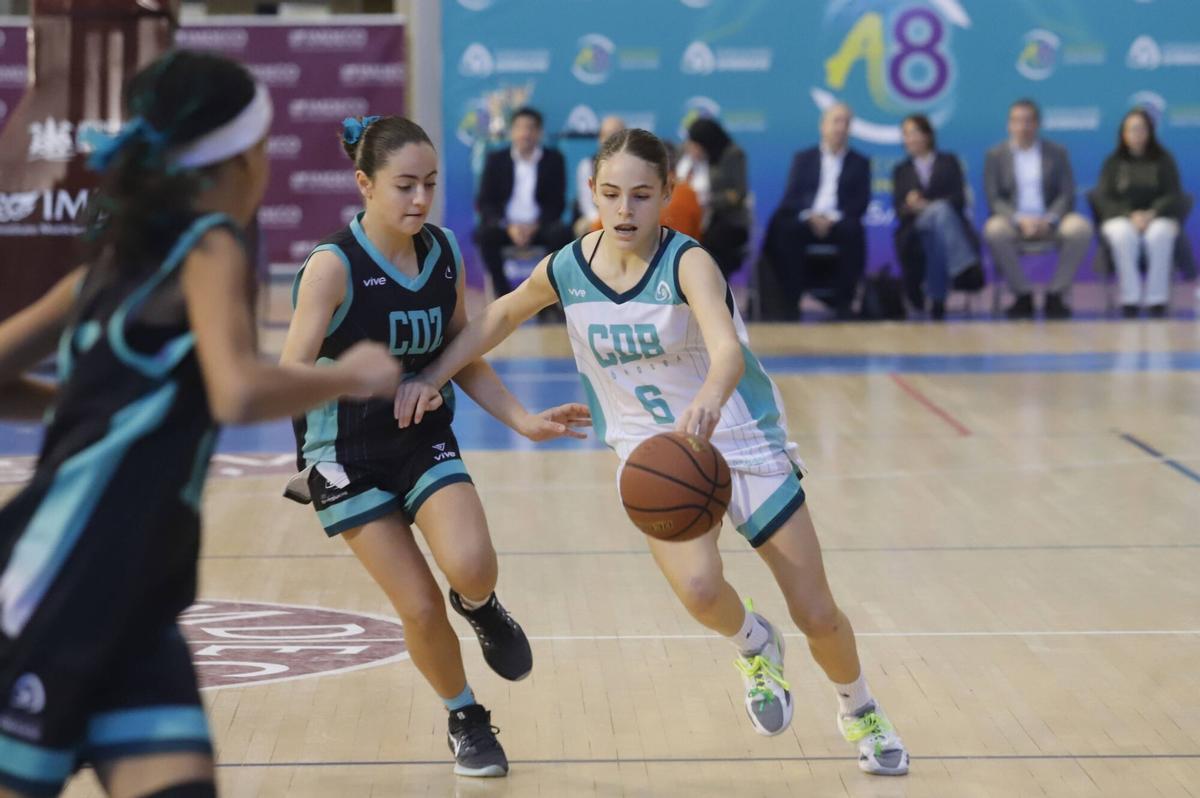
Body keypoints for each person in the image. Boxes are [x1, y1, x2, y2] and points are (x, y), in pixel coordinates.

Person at [395, 129, 910, 777]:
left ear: (669, 193)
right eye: (611, 194)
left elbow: (725, 349)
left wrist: (712, 401)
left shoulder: (689, 261)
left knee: (815, 610)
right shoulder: (568, 268)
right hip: (651, 455)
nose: (625, 210)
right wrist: (428, 377)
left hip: (737, 437)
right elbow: (497, 318)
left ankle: (858, 707)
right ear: (593, 194)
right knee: (698, 589)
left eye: (642, 195)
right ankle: (755, 642)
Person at [0, 50, 400, 797]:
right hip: (54, 592)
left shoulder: (103, 267)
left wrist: (92, 407)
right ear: (247, 158)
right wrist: (350, 375)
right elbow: (239, 392)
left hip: (138, 610)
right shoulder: (213, 243)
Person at [279, 114, 590, 779]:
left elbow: (463, 354)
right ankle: (466, 717)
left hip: (421, 435)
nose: (419, 199)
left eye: (429, 184)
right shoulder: (331, 269)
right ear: (365, 184)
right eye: (404, 186)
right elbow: (290, 374)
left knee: (472, 565)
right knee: (417, 605)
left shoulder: (444, 250)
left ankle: (478, 607)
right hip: (345, 452)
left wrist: (523, 421)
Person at [983, 98, 1093, 319]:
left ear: (1037, 125)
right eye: (1017, 121)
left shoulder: (1057, 152)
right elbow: (994, 199)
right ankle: (1023, 294)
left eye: (1028, 121)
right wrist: (1018, 220)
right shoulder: (995, 156)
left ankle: (1055, 293)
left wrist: (1050, 219)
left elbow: (1066, 193)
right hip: (1014, 221)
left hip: (1051, 220)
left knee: (1080, 228)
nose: (1022, 127)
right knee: (994, 229)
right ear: (1009, 125)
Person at [762, 103, 871, 320]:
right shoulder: (804, 159)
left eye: (845, 123)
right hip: (806, 219)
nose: (840, 128)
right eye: (836, 121)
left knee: (853, 231)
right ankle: (789, 302)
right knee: (784, 228)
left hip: (839, 222)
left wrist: (830, 219)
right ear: (823, 126)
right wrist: (810, 216)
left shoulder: (860, 162)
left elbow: (860, 203)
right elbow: (791, 198)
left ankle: (844, 304)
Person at [1094, 108, 1186, 318]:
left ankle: (1157, 299)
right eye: (1131, 130)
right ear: (1123, 134)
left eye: (1141, 129)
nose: (1136, 134)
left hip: (1158, 217)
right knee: (1122, 234)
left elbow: (1174, 194)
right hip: (1122, 218)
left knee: (1160, 234)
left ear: (1150, 132)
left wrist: (1153, 213)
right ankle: (1130, 299)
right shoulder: (1113, 162)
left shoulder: (1163, 160)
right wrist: (1129, 215)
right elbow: (1104, 198)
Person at [474, 106, 573, 297]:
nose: (525, 133)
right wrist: (508, 225)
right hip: (506, 227)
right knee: (484, 235)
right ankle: (502, 295)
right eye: (519, 127)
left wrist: (535, 226)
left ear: (539, 132)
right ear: (512, 132)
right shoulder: (496, 160)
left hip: (540, 227)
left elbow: (557, 203)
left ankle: (547, 298)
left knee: (562, 234)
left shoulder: (554, 160)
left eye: (530, 128)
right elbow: (486, 202)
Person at [892, 114, 982, 320]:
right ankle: (962, 265)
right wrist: (912, 205)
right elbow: (899, 210)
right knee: (937, 213)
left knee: (936, 233)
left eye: (914, 132)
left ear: (927, 135)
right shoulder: (901, 170)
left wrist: (930, 205)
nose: (910, 139)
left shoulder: (949, 162)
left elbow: (958, 199)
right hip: (914, 227)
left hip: (945, 229)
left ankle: (937, 300)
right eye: (906, 134)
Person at [678, 118, 751, 277]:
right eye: (691, 144)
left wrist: (705, 200)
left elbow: (738, 194)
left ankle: (711, 288)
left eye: (698, 146)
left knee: (712, 242)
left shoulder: (732, 154)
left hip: (723, 220)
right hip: (685, 216)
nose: (693, 149)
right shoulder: (683, 153)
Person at [574, 115, 626, 237]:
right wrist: (599, 220)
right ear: (600, 138)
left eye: (617, 135)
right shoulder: (586, 165)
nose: (611, 140)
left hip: (626, 214)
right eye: (607, 135)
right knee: (581, 226)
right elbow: (587, 202)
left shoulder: (636, 167)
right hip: (596, 216)